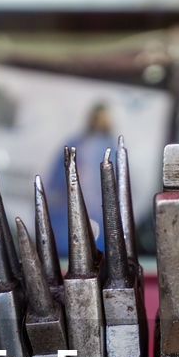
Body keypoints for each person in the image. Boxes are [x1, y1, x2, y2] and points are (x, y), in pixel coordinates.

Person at [47, 102, 114, 254]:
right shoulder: (75, 143)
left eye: (105, 118)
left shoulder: (111, 147)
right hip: (68, 219)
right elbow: (56, 180)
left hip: (101, 219)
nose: (102, 122)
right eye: (99, 118)